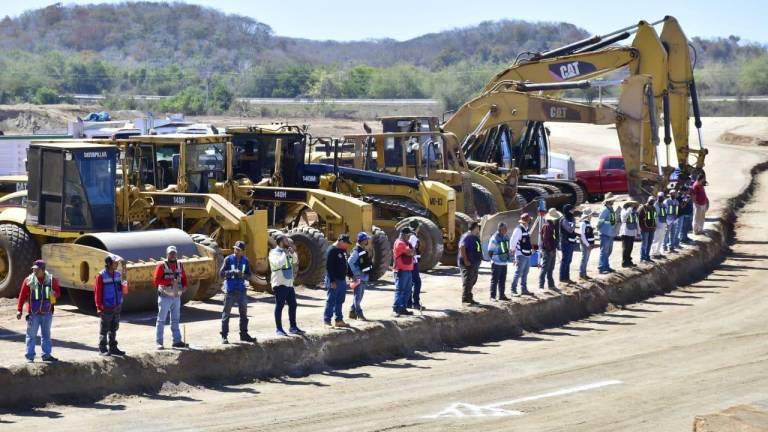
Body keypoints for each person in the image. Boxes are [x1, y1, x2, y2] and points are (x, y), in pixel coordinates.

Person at [16, 260, 61, 363]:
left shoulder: (51, 280)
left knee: (46, 335)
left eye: (37, 269)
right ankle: (29, 356)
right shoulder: (28, 280)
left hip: (47, 313)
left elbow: (58, 292)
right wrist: (19, 310)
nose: (35, 271)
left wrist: (54, 294)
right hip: (33, 314)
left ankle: (46, 355)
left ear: (43, 270)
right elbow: (22, 296)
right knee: (31, 335)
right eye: (34, 269)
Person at [219, 240, 256, 343]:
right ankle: (224, 336)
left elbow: (249, 275)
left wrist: (243, 275)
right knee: (226, 314)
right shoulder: (228, 259)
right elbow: (221, 274)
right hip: (230, 290)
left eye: (238, 250)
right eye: (235, 249)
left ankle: (244, 334)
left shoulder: (245, 260)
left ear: (243, 251)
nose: (236, 251)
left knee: (243, 314)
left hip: (241, 291)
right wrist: (232, 272)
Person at [154, 245, 189, 349]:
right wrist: (169, 282)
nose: (173, 255)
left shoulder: (180, 265)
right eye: (171, 253)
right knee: (161, 320)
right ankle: (159, 343)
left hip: (176, 297)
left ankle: (177, 341)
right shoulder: (161, 266)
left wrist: (185, 286)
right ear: (167, 254)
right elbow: (156, 281)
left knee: (175, 319)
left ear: (176, 254)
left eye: (174, 253)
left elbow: (184, 278)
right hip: (164, 297)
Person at [270, 236, 304, 336]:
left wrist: (293, 253)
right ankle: (279, 329)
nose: (288, 242)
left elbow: (294, 261)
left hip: (289, 284)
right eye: (285, 240)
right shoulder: (274, 253)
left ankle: (293, 327)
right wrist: (285, 254)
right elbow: (277, 264)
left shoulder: (286, 251)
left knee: (293, 305)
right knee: (279, 306)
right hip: (280, 283)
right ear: (280, 242)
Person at [94, 254, 126, 356]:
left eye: (117, 263)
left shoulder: (117, 275)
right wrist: (99, 307)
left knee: (114, 328)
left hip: (116, 306)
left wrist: (123, 288)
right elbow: (97, 292)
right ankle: (102, 348)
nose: (117, 264)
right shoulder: (101, 276)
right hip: (106, 307)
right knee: (104, 329)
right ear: (109, 263)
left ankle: (113, 347)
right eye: (115, 263)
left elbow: (120, 288)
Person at [324, 234, 352, 327]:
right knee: (331, 300)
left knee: (340, 300)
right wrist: (332, 281)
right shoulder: (332, 251)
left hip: (342, 279)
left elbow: (346, 264)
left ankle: (339, 320)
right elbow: (329, 267)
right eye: (347, 243)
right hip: (334, 279)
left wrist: (351, 275)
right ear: (341, 241)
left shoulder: (343, 251)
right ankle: (327, 320)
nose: (348, 245)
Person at [348, 232, 372, 320]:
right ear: (362, 240)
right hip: (358, 277)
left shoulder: (362, 249)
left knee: (359, 296)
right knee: (357, 296)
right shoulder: (356, 251)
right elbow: (350, 263)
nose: (367, 241)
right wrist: (355, 274)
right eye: (366, 239)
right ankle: (359, 314)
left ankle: (352, 312)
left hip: (363, 277)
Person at [392, 227, 415, 316]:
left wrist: (411, 251)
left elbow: (413, 252)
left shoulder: (406, 243)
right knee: (400, 290)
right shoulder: (399, 243)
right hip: (401, 271)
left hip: (408, 270)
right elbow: (410, 252)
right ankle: (396, 308)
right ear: (404, 235)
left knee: (408, 290)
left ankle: (402, 308)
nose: (409, 237)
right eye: (409, 235)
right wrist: (411, 251)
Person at [459, 222, 483, 304]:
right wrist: (466, 260)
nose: (479, 229)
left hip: (474, 263)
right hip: (468, 263)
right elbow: (462, 247)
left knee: (473, 279)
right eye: (478, 227)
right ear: (475, 227)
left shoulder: (475, 237)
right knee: (468, 280)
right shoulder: (467, 236)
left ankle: (469, 296)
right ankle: (466, 298)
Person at [510, 213, 533, 295]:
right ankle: (513, 289)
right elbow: (513, 241)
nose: (530, 221)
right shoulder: (518, 229)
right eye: (529, 220)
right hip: (520, 254)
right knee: (519, 272)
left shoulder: (526, 228)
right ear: (526, 221)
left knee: (526, 272)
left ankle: (524, 289)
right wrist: (512, 252)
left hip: (527, 253)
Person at [488, 222, 511, 301]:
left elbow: (507, 249)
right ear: (500, 229)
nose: (506, 230)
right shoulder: (494, 238)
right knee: (494, 280)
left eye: (506, 228)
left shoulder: (506, 237)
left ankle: (502, 295)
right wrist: (494, 259)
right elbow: (490, 251)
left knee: (502, 280)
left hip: (504, 263)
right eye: (504, 228)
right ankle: (492, 296)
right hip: (496, 263)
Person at [597, 193, 618, 274]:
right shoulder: (605, 210)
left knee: (608, 251)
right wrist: (599, 229)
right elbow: (600, 221)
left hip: (610, 233)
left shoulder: (611, 209)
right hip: (605, 233)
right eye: (612, 200)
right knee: (604, 251)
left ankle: (606, 266)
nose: (613, 201)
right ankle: (601, 267)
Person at [540, 208, 561, 288]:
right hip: (548, 250)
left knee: (551, 268)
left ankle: (550, 284)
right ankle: (541, 285)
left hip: (552, 249)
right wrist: (550, 250)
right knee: (545, 268)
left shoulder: (552, 226)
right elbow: (545, 240)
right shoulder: (547, 226)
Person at [558, 204, 578, 283]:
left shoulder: (570, 218)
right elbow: (570, 230)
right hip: (565, 242)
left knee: (569, 260)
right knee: (565, 260)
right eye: (572, 209)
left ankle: (567, 277)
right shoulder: (564, 219)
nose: (573, 211)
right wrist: (573, 222)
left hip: (570, 241)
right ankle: (563, 278)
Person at [407, 220, 424, 310]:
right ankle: (415, 303)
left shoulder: (409, 235)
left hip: (410, 263)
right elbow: (411, 250)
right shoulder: (413, 237)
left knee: (410, 282)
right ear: (416, 227)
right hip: (412, 263)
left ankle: (409, 302)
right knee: (417, 282)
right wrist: (413, 258)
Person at [638, 196, 657, 263]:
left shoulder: (653, 208)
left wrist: (655, 226)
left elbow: (654, 218)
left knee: (649, 243)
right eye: (651, 200)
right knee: (644, 243)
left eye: (653, 200)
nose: (652, 201)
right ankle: (642, 258)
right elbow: (639, 219)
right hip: (644, 229)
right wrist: (640, 228)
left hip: (651, 229)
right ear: (648, 200)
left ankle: (647, 256)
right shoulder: (642, 208)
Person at [620, 201, 639, 267]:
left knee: (630, 247)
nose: (632, 206)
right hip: (625, 232)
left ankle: (629, 260)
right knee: (626, 248)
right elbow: (623, 219)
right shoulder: (623, 211)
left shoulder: (633, 212)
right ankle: (624, 262)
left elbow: (636, 222)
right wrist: (629, 211)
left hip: (632, 232)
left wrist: (638, 231)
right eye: (630, 204)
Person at [578, 210, 596, 279]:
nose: (591, 216)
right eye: (590, 214)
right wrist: (588, 244)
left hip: (588, 244)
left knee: (586, 259)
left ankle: (584, 273)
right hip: (585, 244)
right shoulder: (583, 223)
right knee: (584, 259)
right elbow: (582, 235)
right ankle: (582, 274)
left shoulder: (588, 223)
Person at [651, 191, 668, 259]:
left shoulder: (664, 205)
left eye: (662, 197)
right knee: (656, 238)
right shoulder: (655, 205)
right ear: (657, 197)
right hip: (657, 223)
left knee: (661, 238)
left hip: (663, 223)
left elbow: (666, 213)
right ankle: (653, 253)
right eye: (659, 197)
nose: (661, 198)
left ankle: (658, 252)